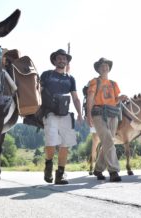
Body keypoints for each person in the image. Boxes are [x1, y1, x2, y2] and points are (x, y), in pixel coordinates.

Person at [41, 49, 82, 185]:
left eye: (64, 58)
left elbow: (75, 98)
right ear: (54, 61)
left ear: (67, 61)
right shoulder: (46, 75)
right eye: (59, 58)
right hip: (50, 113)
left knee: (65, 145)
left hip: (65, 114)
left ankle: (60, 174)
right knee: (51, 143)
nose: (62, 60)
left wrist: (80, 114)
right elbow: (37, 92)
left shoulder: (70, 79)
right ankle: (48, 164)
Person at [86, 57, 127, 182]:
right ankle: (113, 171)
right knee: (108, 140)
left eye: (106, 65)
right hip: (98, 113)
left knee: (107, 142)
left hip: (113, 114)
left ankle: (98, 169)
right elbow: (91, 98)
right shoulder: (94, 82)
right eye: (102, 66)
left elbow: (114, 100)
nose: (105, 67)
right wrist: (88, 115)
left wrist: (120, 98)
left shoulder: (114, 84)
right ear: (98, 69)